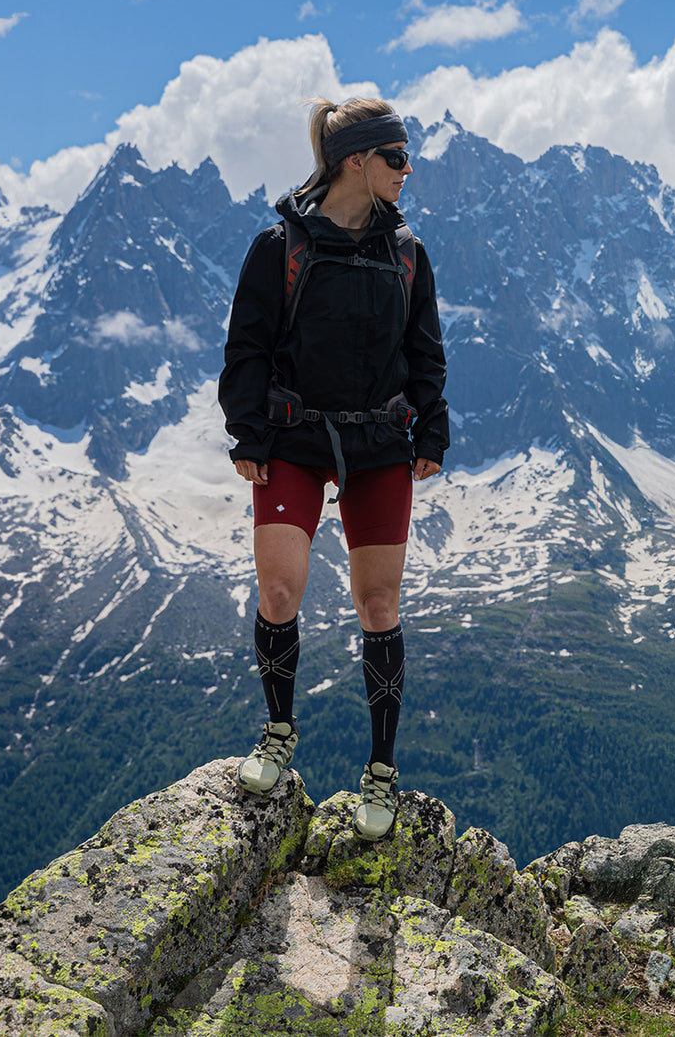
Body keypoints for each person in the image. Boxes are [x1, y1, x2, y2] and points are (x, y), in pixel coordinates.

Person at [218, 97, 449, 842]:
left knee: (377, 607)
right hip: (291, 439)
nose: (407, 171)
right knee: (280, 587)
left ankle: (379, 770)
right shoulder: (277, 245)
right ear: (356, 160)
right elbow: (246, 347)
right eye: (395, 158)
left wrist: (431, 428)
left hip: (379, 442)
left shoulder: (407, 254)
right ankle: (278, 732)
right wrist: (246, 432)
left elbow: (426, 353)